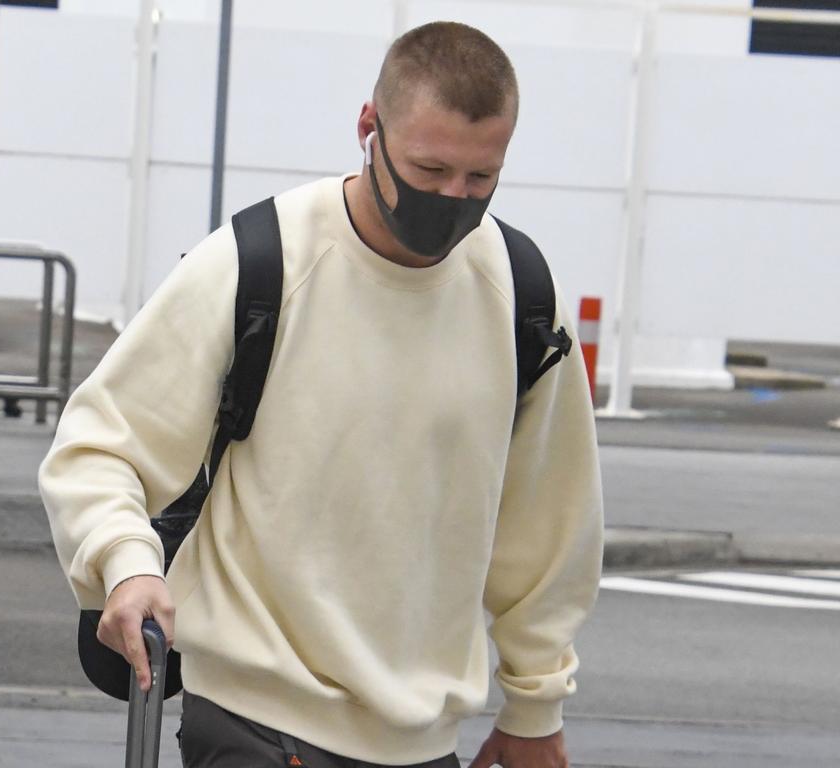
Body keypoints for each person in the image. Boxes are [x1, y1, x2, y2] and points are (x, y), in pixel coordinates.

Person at [40, 20, 603, 768]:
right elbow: (99, 447)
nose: (451, 199)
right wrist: (127, 561)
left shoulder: (521, 297)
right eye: (429, 170)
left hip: (424, 735)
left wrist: (535, 707)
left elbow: (549, 525)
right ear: (369, 127)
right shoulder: (258, 264)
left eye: (479, 179)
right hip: (253, 714)